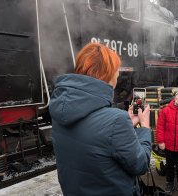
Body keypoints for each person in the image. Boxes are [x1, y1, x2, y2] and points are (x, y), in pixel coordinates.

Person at [49, 43, 152, 195]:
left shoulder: (59, 111)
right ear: (109, 74)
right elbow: (140, 165)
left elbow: (95, 141)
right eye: (117, 71)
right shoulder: (117, 120)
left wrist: (126, 125)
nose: (118, 75)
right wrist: (144, 127)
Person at [156, 88, 178, 196]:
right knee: (169, 166)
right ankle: (169, 183)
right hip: (169, 145)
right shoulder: (166, 110)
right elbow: (160, 127)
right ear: (175, 96)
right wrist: (161, 141)